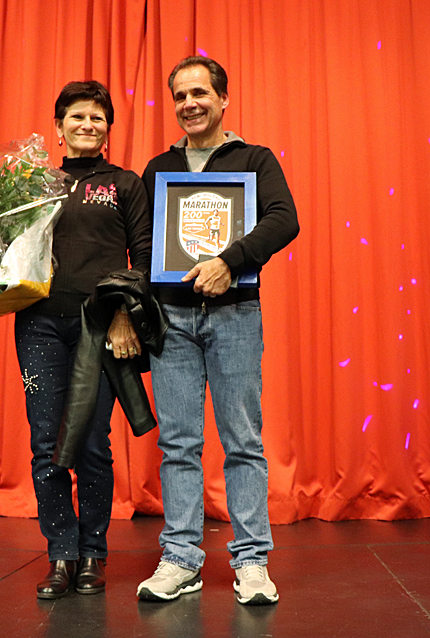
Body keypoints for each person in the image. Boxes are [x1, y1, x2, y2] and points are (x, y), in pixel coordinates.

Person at [0, 81, 153, 599]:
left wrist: (124, 316)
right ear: (59, 126)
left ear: (109, 128)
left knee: (91, 443)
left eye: (98, 118)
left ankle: (94, 555)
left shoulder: (125, 184)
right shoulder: (30, 184)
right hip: (39, 326)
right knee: (46, 443)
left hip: (100, 328)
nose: (88, 125)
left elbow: (147, 258)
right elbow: (0, 252)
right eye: (78, 117)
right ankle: (60, 555)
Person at [136, 56, 299, 605]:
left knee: (243, 441)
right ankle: (181, 558)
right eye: (180, 96)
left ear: (223, 99)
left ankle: (252, 560)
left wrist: (231, 260)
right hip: (171, 318)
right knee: (178, 443)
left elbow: (283, 218)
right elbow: (142, 246)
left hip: (234, 314)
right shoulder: (158, 169)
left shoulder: (254, 159)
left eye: (200, 93)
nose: (189, 104)